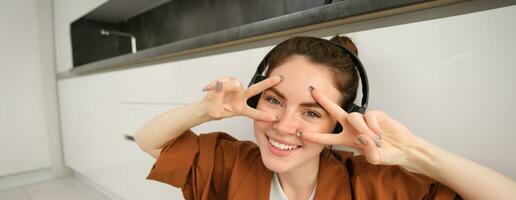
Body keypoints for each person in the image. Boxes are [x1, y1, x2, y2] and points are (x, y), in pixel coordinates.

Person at [134, 35, 516, 200]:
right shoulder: (230, 162)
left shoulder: (371, 183)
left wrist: (413, 152)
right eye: (274, 100)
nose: (283, 126)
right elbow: (148, 140)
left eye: (312, 111)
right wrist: (205, 110)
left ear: (340, 121)